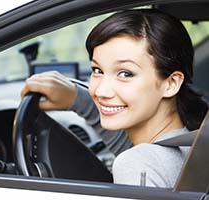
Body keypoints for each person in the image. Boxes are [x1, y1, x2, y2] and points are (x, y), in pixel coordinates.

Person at [21, 9, 208, 188]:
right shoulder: (194, 143)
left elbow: (139, 158)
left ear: (171, 83)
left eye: (125, 73)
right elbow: (130, 145)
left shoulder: (139, 164)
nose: (101, 91)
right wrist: (77, 99)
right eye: (97, 70)